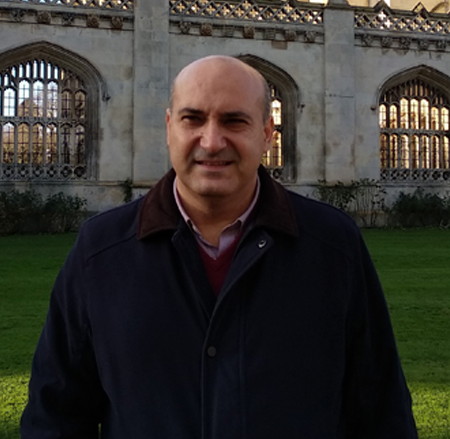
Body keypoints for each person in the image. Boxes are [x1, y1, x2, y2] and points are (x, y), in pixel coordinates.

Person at [21, 55, 417, 439]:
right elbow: (55, 415)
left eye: (234, 121)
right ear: (168, 127)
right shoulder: (101, 251)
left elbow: (381, 408)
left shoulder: (332, 245)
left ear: (267, 134)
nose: (211, 142)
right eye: (192, 119)